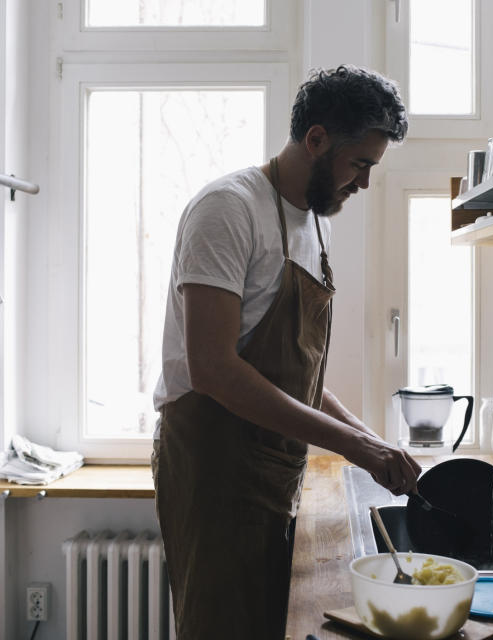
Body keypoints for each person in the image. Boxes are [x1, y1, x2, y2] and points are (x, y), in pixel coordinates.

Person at [151, 64, 421, 638]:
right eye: (360, 165)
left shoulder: (315, 224)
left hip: (275, 468)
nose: (365, 184)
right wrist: (354, 446)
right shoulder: (228, 209)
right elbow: (216, 369)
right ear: (316, 139)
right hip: (215, 469)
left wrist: (371, 442)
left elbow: (296, 374)